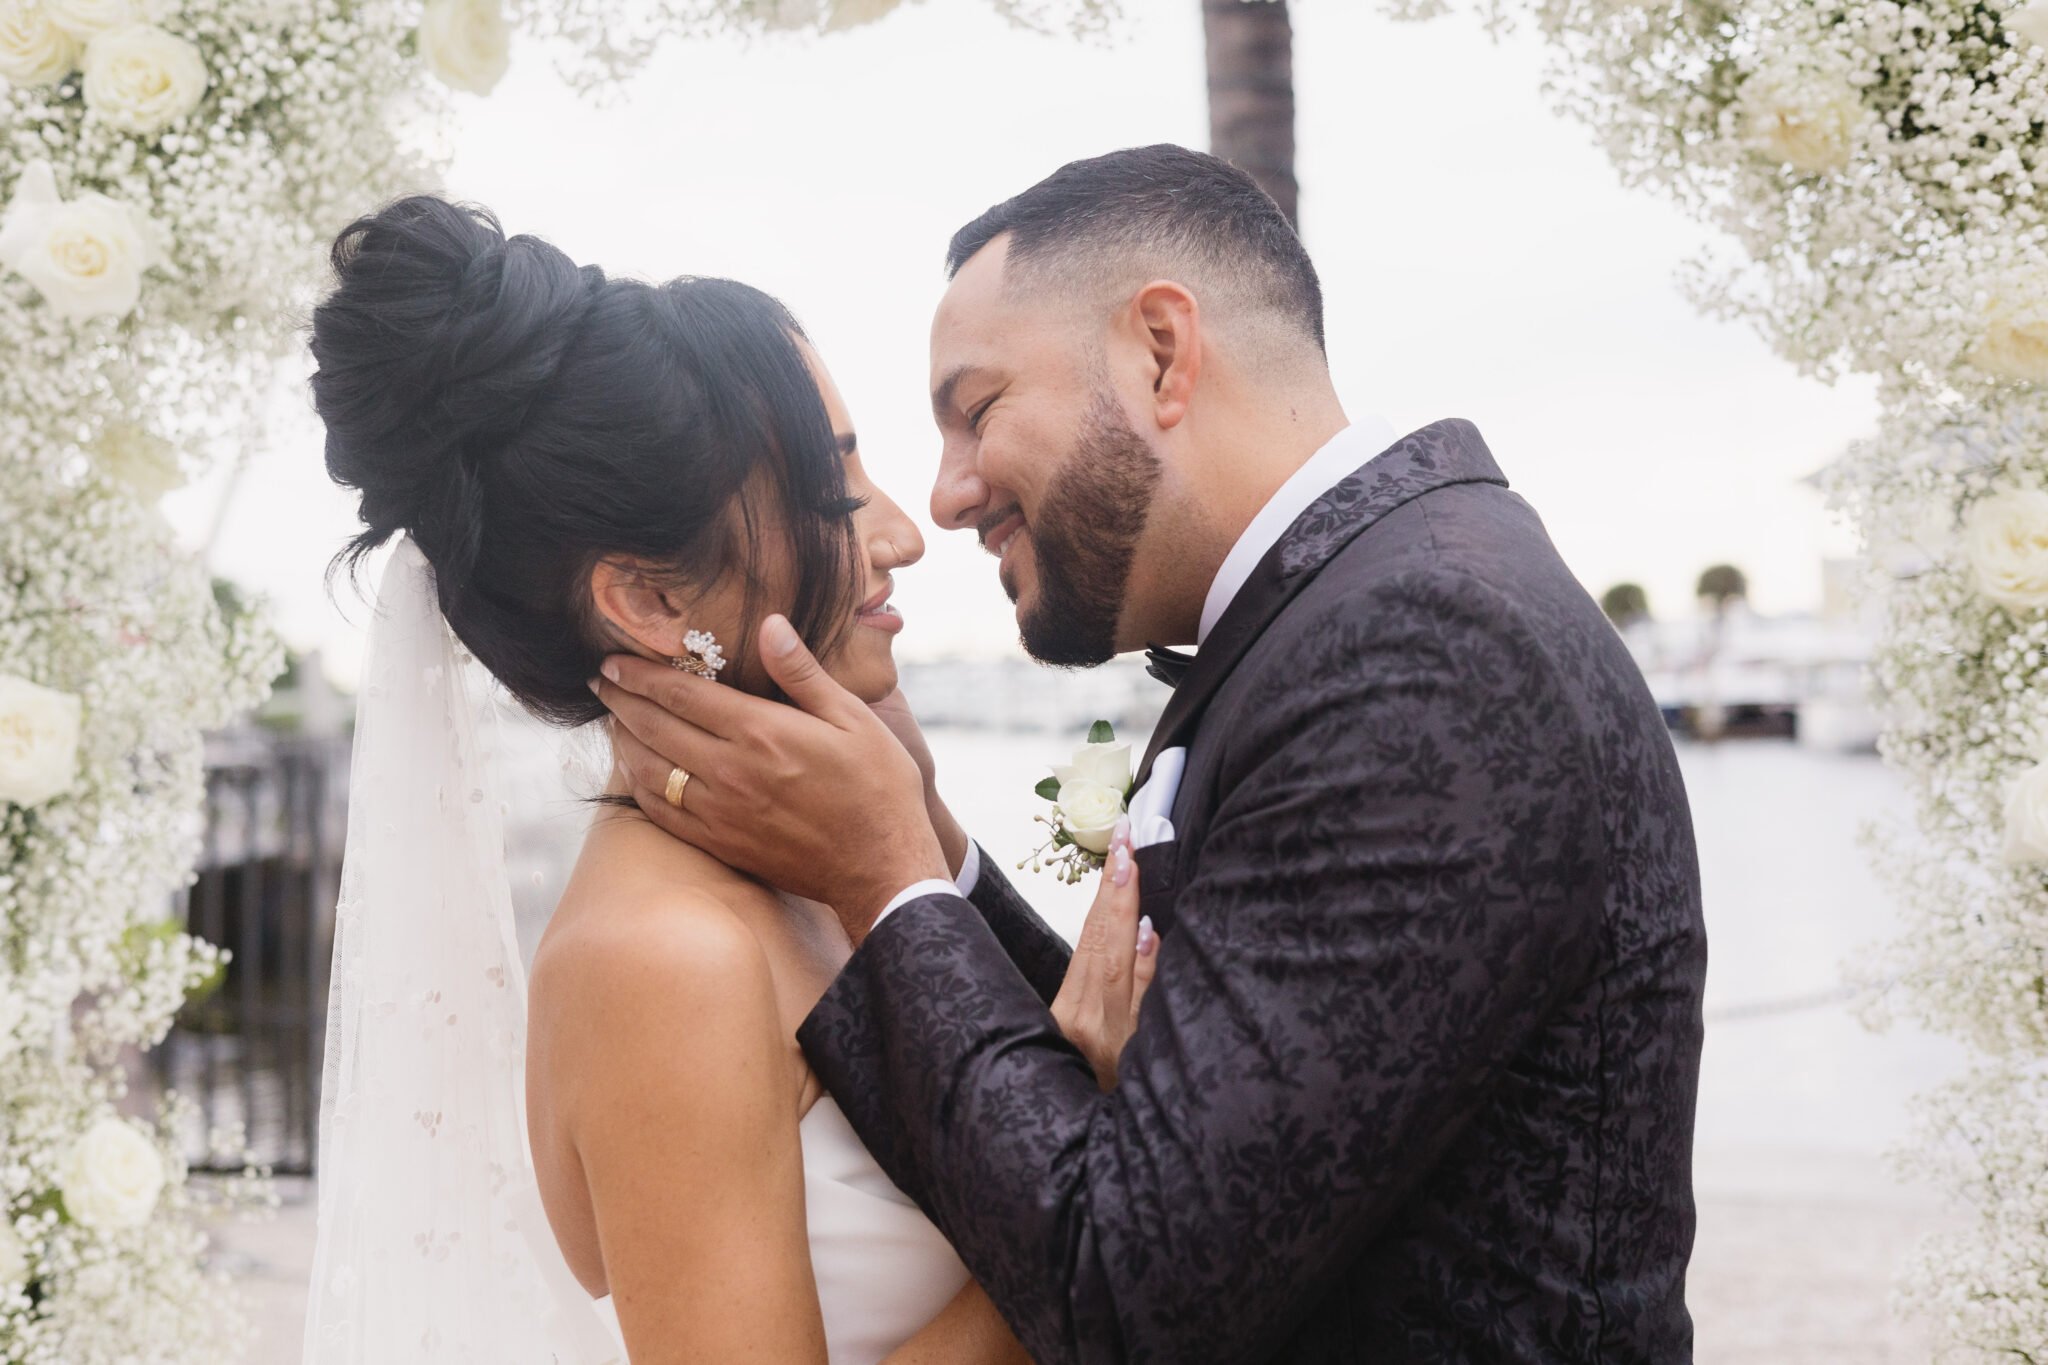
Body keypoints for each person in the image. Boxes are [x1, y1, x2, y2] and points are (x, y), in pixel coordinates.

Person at [595, 144, 1710, 1363]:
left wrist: (879, 880)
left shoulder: (1422, 650)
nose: (946, 496)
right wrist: (931, 846)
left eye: (974, 412)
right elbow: (1189, 1110)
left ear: (1162, 353)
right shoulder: (1344, 609)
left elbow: (1127, 1296)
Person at [298, 194, 1137, 1365]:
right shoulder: (658, 958)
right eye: (837, 495)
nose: (900, 533)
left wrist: (920, 816)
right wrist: (1099, 1180)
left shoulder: (817, 863)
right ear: (647, 601)